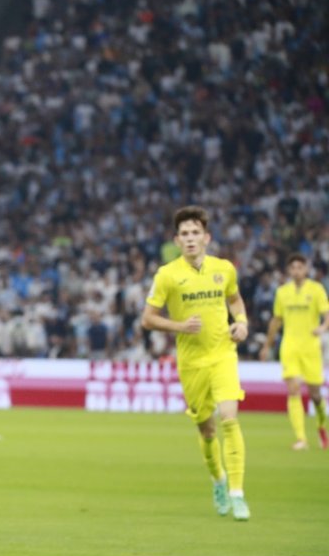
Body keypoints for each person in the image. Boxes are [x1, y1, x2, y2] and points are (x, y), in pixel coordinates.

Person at [141, 206, 252, 521]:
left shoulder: (224, 269)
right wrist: (179, 326)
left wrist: (241, 322)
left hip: (223, 354)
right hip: (191, 363)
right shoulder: (167, 275)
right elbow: (147, 319)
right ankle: (218, 480)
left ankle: (237, 493)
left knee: (230, 419)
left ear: (207, 237)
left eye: (195, 233)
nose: (190, 239)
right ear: (177, 240)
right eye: (184, 234)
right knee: (207, 429)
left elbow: (234, 299)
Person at [259, 254, 329, 450]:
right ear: (289, 271)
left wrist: (323, 328)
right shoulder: (282, 292)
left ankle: (322, 427)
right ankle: (301, 438)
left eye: (300, 267)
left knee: (315, 395)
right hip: (290, 346)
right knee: (293, 389)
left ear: (306, 269)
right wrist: (267, 345)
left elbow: (327, 315)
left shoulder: (316, 290)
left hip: (311, 347)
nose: (297, 271)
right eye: (293, 267)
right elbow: (276, 320)